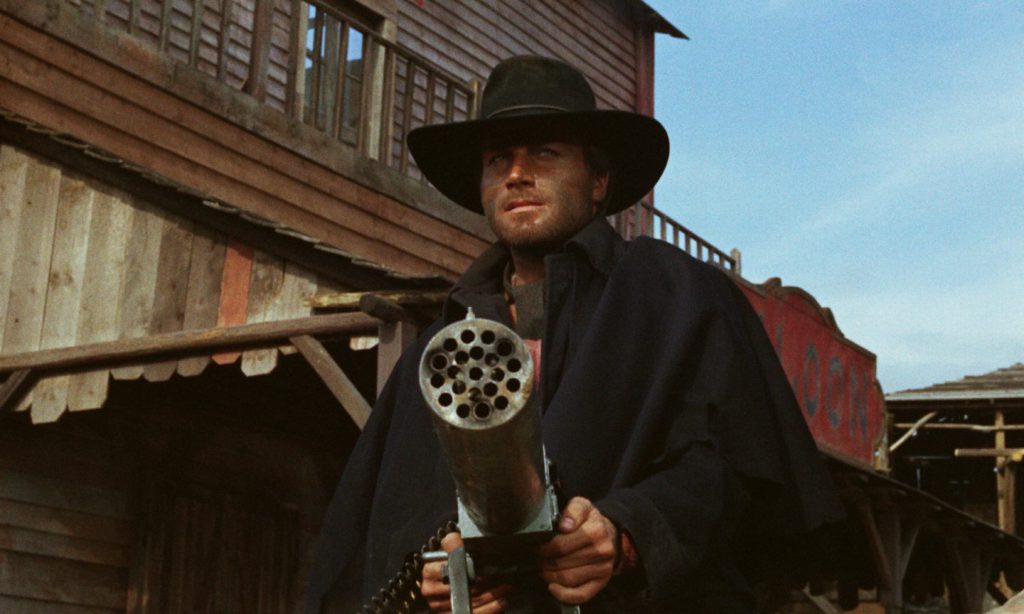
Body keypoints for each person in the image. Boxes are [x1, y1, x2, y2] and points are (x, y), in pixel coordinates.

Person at [306, 55, 844, 613]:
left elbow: (734, 471)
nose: (517, 174)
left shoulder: (676, 299)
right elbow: (386, 522)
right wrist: (430, 576)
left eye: (544, 152)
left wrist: (626, 535)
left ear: (598, 182)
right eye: (498, 159)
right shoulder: (436, 352)